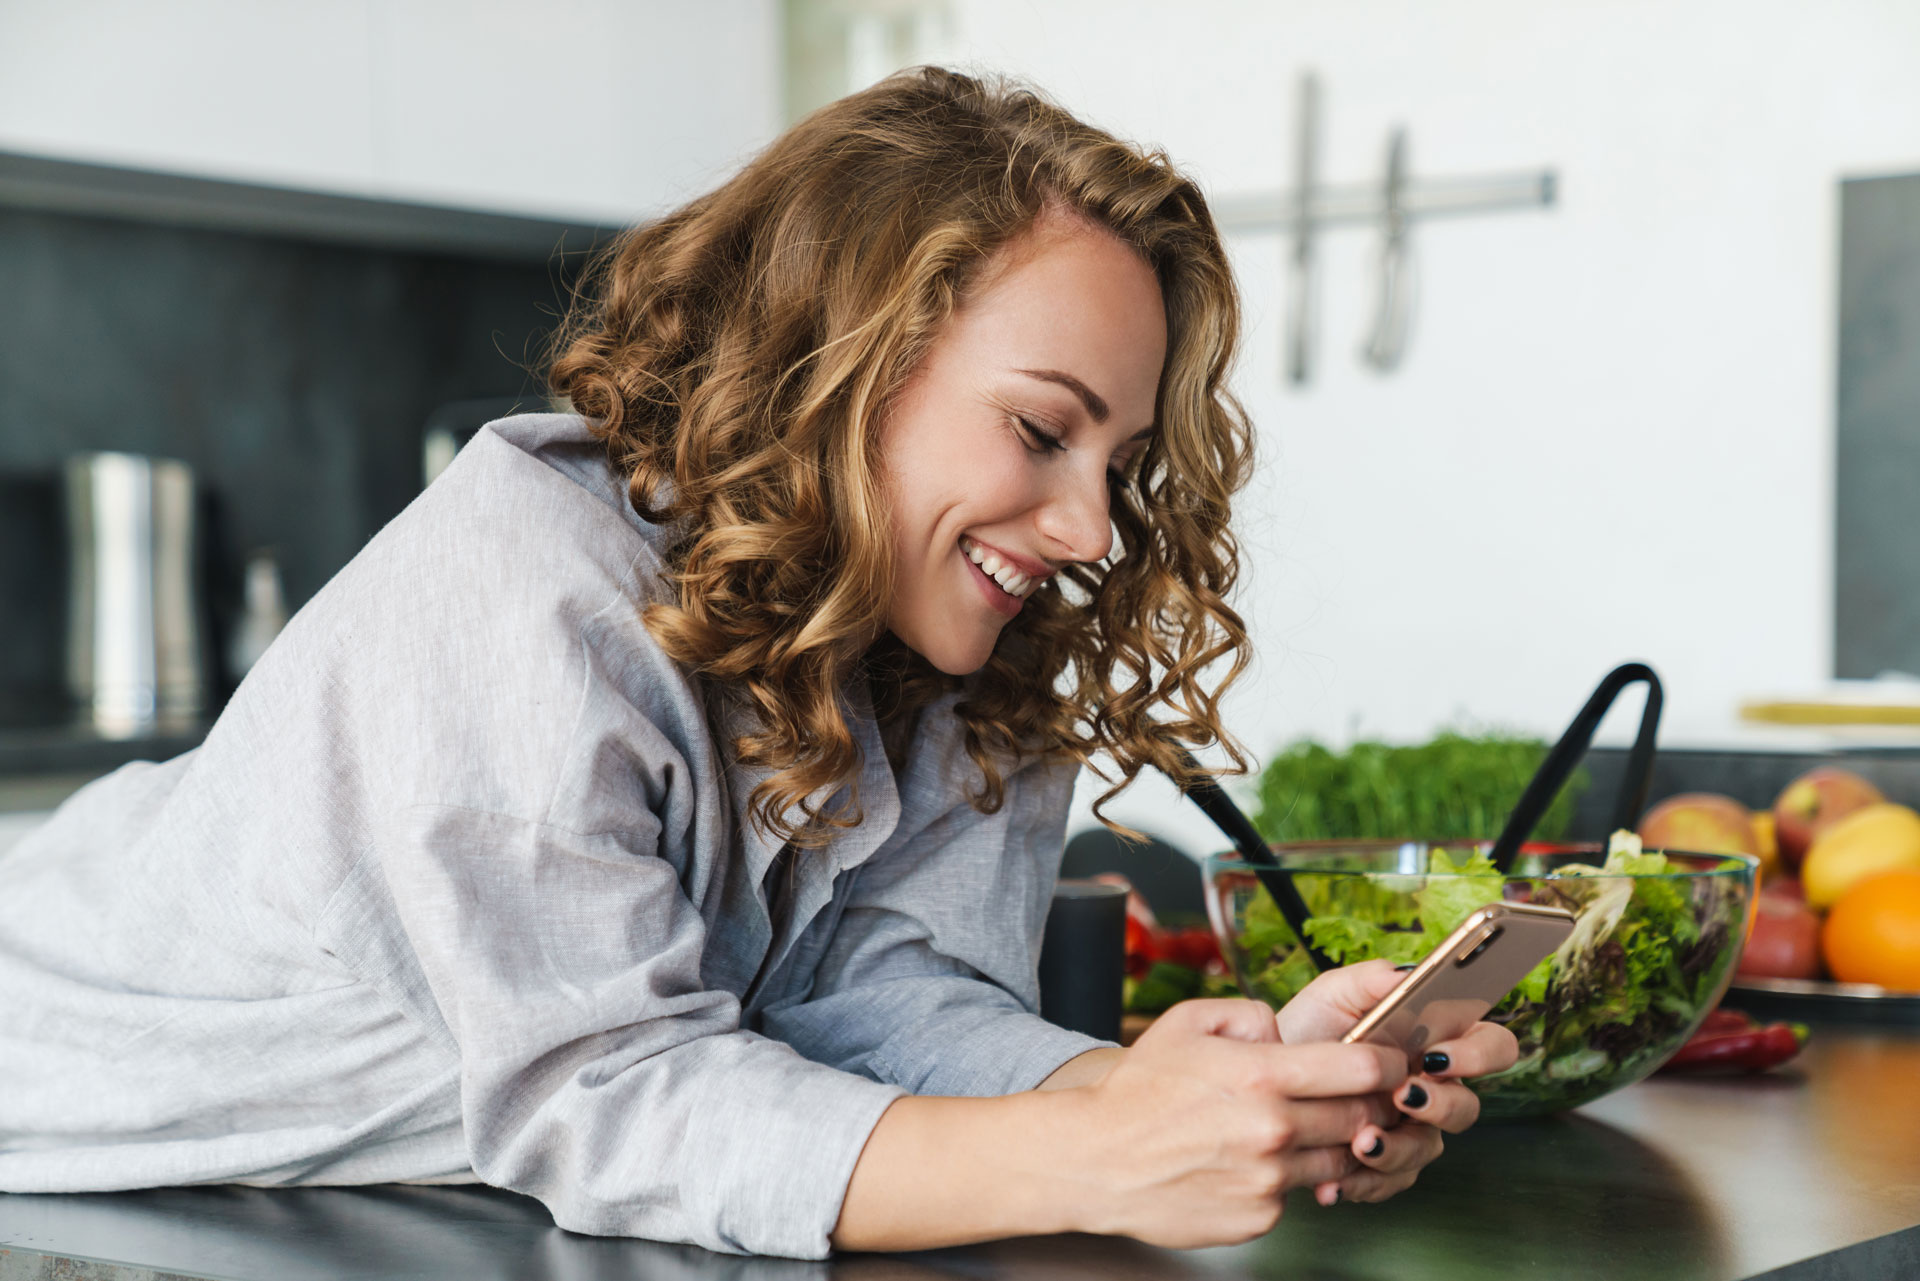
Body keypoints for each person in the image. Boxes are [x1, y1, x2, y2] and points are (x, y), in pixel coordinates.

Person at [0, 68, 1516, 1259]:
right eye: (1041, 430)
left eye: (1114, 463)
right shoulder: (529, 583)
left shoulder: (938, 639)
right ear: (836, 362)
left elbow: (866, 993)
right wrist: (1106, 1155)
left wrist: (1195, 1093)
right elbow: (610, 1095)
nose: (1084, 523)